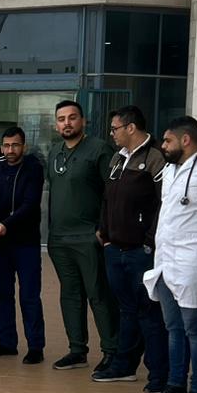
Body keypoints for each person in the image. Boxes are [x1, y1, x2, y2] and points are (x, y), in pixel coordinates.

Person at [145, 116, 197, 393]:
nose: (163, 145)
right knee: (173, 327)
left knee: (195, 331)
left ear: (185, 140)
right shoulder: (170, 169)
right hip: (166, 260)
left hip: (192, 260)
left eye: (167, 140)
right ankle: (175, 385)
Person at [95, 106, 169, 390]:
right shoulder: (117, 158)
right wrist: (104, 232)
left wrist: (149, 241)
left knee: (149, 313)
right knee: (126, 310)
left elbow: (163, 203)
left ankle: (158, 376)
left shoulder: (155, 157)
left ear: (131, 127)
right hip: (114, 249)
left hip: (141, 251)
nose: (111, 134)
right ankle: (123, 366)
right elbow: (107, 197)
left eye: (115, 128)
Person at [47, 99, 118, 372]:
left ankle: (111, 351)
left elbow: (112, 192)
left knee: (98, 295)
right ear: (56, 125)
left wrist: (103, 229)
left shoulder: (99, 149)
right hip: (59, 239)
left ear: (83, 121)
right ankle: (77, 350)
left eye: (72, 117)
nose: (67, 123)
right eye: (61, 119)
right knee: (70, 295)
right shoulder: (54, 152)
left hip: (88, 237)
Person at [0, 127, 45, 363]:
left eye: (15, 145)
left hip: (26, 243)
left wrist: (7, 224)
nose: (10, 150)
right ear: (1, 147)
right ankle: (6, 342)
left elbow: (30, 204)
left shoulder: (33, 168)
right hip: (0, 245)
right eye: (6, 145)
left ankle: (35, 347)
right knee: (0, 294)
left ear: (23, 146)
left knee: (29, 296)